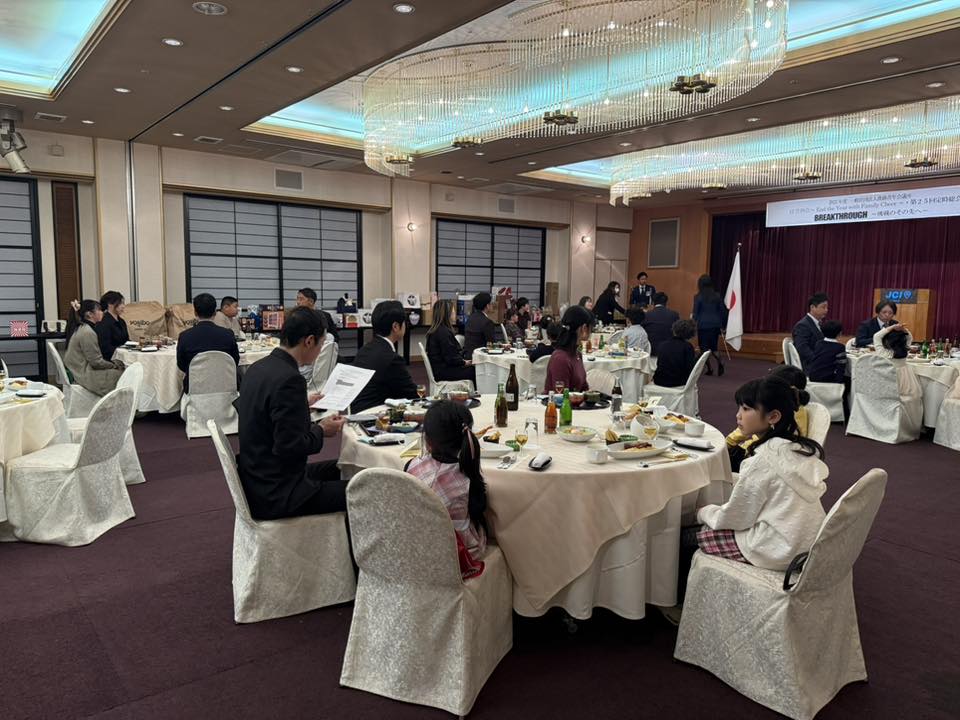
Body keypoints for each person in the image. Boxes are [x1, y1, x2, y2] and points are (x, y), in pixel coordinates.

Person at [693, 376, 827, 572]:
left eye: (746, 409)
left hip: (779, 549)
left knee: (691, 536)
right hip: (809, 542)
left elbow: (736, 517)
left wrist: (703, 512)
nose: (738, 415)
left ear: (773, 417)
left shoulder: (762, 460)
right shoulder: (797, 449)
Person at [236, 306, 348, 520]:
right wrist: (321, 429)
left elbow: (263, 414)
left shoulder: (258, 368)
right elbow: (290, 447)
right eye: (321, 344)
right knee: (365, 488)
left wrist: (302, 404)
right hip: (280, 493)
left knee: (344, 466)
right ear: (309, 341)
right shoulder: (290, 379)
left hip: (258, 477)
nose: (320, 351)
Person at [404, 401, 488, 563]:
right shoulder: (467, 477)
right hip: (455, 556)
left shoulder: (411, 466)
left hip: (415, 548)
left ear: (427, 439)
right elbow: (478, 509)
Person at [726, 365, 811, 472]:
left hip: (751, 455)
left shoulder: (771, 452)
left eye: (746, 409)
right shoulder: (786, 415)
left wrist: (728, 442)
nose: (738, 415)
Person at [351, 300, 418, 412]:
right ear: (395, 326)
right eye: (404, 322)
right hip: (375, 413)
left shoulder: (365, 349)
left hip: (356, 411)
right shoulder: (392, 359)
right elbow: (412, 394)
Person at [176, 293, 240, 393]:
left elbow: (181, 365)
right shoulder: (228, 335)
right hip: (225, 387)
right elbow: (234, 361)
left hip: (195, 389)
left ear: (195, 312)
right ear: (215, 312)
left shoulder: (185, 336)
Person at [64, 298, 124, 396]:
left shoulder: (82, 328)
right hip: (84, 374)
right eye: (99, 310)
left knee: (120, 369)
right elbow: (96, 363)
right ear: (89, 314)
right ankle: (117, 402)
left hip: (78, 370)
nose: (102, 312)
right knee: (124, 374)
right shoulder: (87, 332)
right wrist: (114, 365)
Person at [425, 299, 475, 385]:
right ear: (447, 313)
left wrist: (463, 361)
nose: (454, 313)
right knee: (475, 371)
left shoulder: (437, 330)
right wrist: (464, 362)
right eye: (453, 311)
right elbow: (450, 358)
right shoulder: (443, 333)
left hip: (440, 369)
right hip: (444, 372)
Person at [544, 305, 592, 392]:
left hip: (576, 400)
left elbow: (584, 387)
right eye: (591, 329)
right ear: (584, 328)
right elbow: (561, 395)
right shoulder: (560, 358)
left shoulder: (577, 354)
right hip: (561, 401)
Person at [692, 274, 728, 376]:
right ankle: (720, 361)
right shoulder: (717, 296)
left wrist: (694, 323)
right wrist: (723, 325)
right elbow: (723, 311)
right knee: (714, 348)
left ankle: (710, 369)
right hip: (715, 325)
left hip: (703, 325)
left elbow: (695, 313)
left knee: (704, 349)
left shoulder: (698, 297)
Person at [653, 319, 697, 388]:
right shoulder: (688, 347)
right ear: (690, 334)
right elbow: (690, 368)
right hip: (678, 382)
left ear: (674, 330)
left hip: (659, 380)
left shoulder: (663, 344)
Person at [792, 292, 829, 370]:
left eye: (827, 307)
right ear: (812, 307)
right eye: (823, 307)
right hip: (810, 366)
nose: (826, 310)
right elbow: (802, 348)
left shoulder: (818, 323)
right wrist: (819, 362)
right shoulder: (803, 325)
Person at [462, 291, 498, 358]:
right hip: (481, 357)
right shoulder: (487, 322)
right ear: (487, 306)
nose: (492, 305)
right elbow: (492, 344)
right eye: (491, 303)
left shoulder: (470, 318)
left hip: (468, 355)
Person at [95, 290, 129, 360]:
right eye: (120, 303)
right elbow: (104, 347)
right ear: (110, 304)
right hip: (111, 359)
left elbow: (126, 341)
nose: (123, 306)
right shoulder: (103, 322)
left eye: (123, 303)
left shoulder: (121, 321)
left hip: (124, 355)